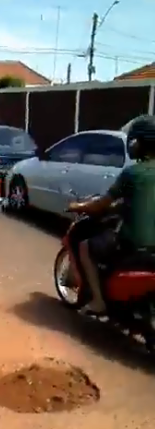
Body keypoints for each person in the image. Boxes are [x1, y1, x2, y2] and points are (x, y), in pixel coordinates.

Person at [68, 114, 155, 314]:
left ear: (141, 142)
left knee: (85, 247)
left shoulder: (132, 173)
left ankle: (99, 301)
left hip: (136, 245)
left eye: (134, 140)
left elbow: (100, 205)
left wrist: (78, 206)